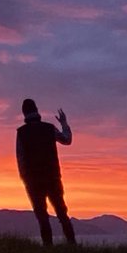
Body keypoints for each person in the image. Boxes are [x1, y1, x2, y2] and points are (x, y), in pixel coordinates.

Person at [16, 98, 76, 245]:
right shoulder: (49, 128)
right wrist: (63, 123)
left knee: (42, 215)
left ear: (24, 113)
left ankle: (48, 248)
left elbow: (20, 158)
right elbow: (67, 140)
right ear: (37, 109)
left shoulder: (21, 132)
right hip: (52, 177)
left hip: (33, 180)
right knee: (62, 213)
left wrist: (25, 178)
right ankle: (72, 245)